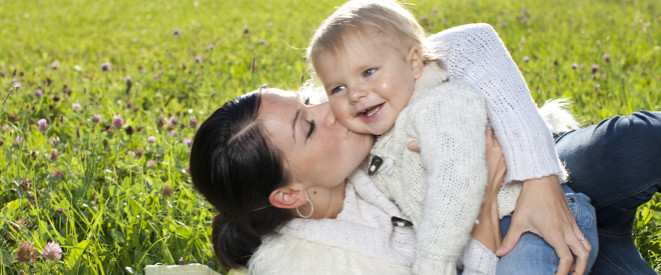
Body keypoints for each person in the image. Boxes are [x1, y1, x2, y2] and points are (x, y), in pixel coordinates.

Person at [306, 1, 594, 273]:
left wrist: (434, 264)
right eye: (338, 88)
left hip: (528, 215)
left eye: (368, 72)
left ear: (415, 63)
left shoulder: (440, 105)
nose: (355, 94)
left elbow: (455, 185)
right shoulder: (373, 132)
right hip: (482, 243)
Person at [190, 87, 507, 274]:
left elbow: (462, 45)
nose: (330, 106)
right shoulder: (325, 263)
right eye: (309, 128)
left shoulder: (357, 135)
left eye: (306, 100)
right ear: (289, 195)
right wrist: (484, 192)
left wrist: (541, 180)